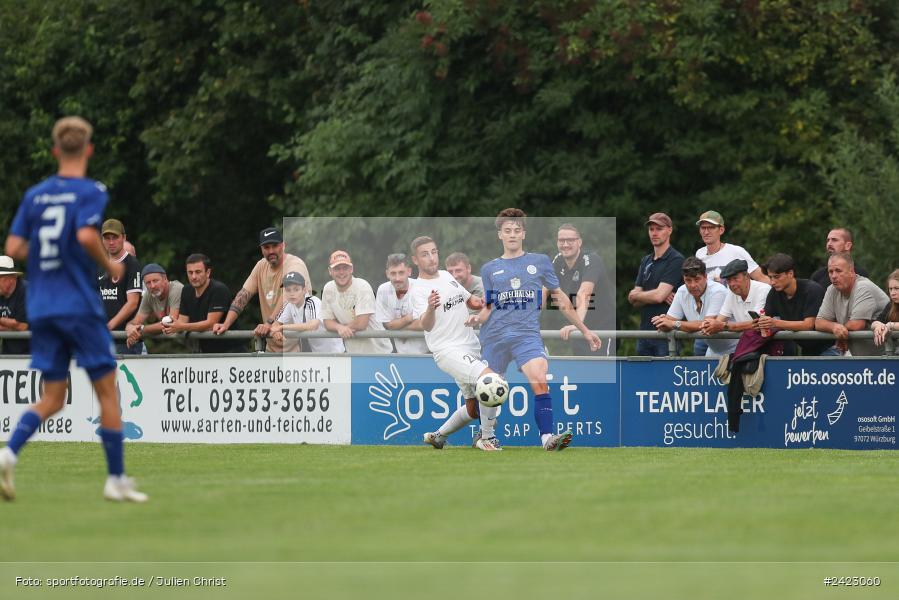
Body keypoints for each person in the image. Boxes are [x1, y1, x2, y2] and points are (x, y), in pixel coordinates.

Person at [0, 116, 147, 502]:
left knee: (52, 398)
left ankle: (9, 453)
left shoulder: (35, 194)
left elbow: (13, 248)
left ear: (54, 151)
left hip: (43, 307)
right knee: (108, 391)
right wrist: (111, 264)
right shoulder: (90, 191)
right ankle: (115, 479)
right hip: (79, 306)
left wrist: (47, 258)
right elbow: (84, 234)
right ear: (89, 150)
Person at [476, 208, 601, 451]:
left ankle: (547, 438)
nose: (512, 234)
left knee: (540, 379)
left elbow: (561, 299)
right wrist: (476, 318)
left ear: (523, 233)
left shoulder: (540, 261)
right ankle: (483, 436)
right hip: (495, 336)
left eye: (516, 230)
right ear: (499, 235)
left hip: (526, 336)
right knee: (488, 389)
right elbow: (488, 306)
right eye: (507, 231)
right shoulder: (489, 268)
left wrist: (584, 330)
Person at [410, 237, 501, 451]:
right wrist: (431, 308)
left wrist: (484, 302)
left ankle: (438, 436)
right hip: (448, 351)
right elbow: (427, 325)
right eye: (425, 254)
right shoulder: (418, 289)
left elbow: (469, 300)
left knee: (473, 408)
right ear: (415, 259)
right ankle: (487, 438)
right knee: (490, 381)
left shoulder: (446, 275)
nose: (432, 258)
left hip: (469, 346)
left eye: (434, 252)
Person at [212, 227, 312, 352]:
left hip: (301, 347)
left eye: (274, 246)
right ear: (261, 249)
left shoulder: (295, 265)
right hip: (273, 347)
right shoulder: (260, 266)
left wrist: (269, 323)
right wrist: (226, 324)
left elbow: (288, 296)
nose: (271, 251)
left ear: (283, 245)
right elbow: (243, 295)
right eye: (266, 247)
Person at [552, 223, 615, 356]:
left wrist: (577, 325)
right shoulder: (558, 260)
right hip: (579, 328)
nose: (565, 244)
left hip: (602, 329)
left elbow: (584, 293)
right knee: (582, 373)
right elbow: (543, 291)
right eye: (561, 240)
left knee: (601, 373)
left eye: (570, 240)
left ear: (579, 242)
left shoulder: (592, 260)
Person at [651, 257, 735, 357]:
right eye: (688, 280)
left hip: (736, 349)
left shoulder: (718, 291)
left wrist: (674, 324)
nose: (693, 285)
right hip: (713, 351)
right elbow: (669, 321)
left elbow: (706, 324)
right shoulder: (682, 291)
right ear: (683, 279)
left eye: (697, 279)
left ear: (706, 276)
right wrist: (661, 322)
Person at [161, 254, 244, 353]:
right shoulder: (186, 290)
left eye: (198, 272)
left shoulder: (219, 290)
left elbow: (210, 324)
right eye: (190, 272)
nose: (194, 276)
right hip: (204, 352)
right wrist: (171, 327)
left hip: (231, 351)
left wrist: (180, 326)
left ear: (208, 272)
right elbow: (182, 322)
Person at [627, 212, 684, 356]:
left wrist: (640, 295)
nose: (654, 233)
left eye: (659, 229)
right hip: (645, 332)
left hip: (667, 333)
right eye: (651, 229)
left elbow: (658, 296)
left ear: (669, 230)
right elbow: (632, 300)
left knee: (666, 377)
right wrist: (650, 295)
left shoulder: (676, 259)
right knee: (642, 377)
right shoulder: (646, 260)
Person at [816, 252, 889, 356]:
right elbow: (818, 323)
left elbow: (856, 325)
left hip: (888, 360)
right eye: (830, 272)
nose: (833, 276)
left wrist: (841, 333)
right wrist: (835, 328)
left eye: (838, 271)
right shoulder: (832, 289)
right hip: (863, 361)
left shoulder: (863, 287)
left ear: (851, 272)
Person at [320, 250, 392, 354]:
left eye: (345, 268)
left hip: (379, 352)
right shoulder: (328, 288)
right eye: (337, 268)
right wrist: (339, 328)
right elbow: (327, 322)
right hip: (353, 355)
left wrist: (343, 329)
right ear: (330, 271)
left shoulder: (363, 286)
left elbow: (361, 323)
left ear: (351, 269)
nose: (341, 272)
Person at [758, 253, 829, 356]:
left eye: (777, 277)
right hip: (807, 350)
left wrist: (775, 323)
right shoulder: (774, 292)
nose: (772, 282)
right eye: (770, 277)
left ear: (790, 273)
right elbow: (765, 317)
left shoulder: (812, 290)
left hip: (829, 348)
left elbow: (808, 325)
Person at [97, 218, 142, 354]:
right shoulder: (100, 265)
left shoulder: (132, 264)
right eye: (107, 238)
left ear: (123, 237)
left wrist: (109, 326)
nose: (111, 242)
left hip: (125, 340)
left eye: (115, 237)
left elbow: (132, 303)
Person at [271, 271, 345, 353]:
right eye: (288, 290)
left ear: (304, 290)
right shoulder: (288, 305)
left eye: (296, 289)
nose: (292, 294)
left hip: (334, 352)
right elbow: (275, 324)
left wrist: (282, 327)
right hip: (315, 354)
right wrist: (276, 332)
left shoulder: (312, 301)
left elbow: (312, 326)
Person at [700, 259, 772, 337]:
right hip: (750, 341)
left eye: (735, 278)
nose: (732, 284)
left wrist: (724, 326)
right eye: (729, 280)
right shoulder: (731, 293)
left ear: (747, 276)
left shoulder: (764, 289)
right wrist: (709, 325)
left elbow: (757, 323)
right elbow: (719, 320)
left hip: (770, 342)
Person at [375, 253, 428, 354]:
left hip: (427, 354)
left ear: (409, 271)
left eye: (401, 273)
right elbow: (387, 325)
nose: (397, 278)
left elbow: (425, 324)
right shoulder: (383, 290)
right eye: (393, 273)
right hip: (400, 355)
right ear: (387, 273)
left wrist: (399, 326)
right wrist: (410, 318)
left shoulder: (422, 288)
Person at [124, 264, 183, 350]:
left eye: (155, 281)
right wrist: (129, 328)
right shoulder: (149, 295)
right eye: (148, 283)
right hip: (184, 343)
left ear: (165, 279)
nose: (152, 286)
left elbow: (170, 323)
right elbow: (136, 322)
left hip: (201, 336)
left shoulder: (176, 288)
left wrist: (141, 329)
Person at [0, 256, 29, 355]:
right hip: (9, 356)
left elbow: (22, 326)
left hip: (32, 356)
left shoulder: (27, 291)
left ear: (11, 278)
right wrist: (11, 325)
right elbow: (17, 325)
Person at [872, 270, 899, 348]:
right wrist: (879, 325)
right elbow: (875, 322)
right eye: (890, 289)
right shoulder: (891, 305)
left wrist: (890, 325)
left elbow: (889, 325)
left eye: (897, 288)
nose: (892, 293)